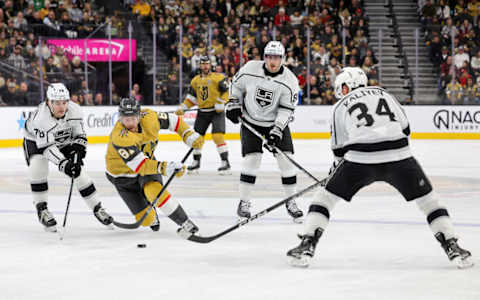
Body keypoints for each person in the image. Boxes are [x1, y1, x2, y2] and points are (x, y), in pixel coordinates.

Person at [287, 67, 473, 269]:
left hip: (360, 159)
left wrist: (335, 175)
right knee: (429, 201)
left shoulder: (340, 105)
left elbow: (339, 151)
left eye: (341, 87)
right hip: (400, 156)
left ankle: (307, 244)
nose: (339, 91)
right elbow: (406, 129)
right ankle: (452, 246)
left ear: (347, 85)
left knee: (324, 199)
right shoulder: (385, 93)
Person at [225, 41, 304, 222]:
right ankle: (244, 202)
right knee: (252, 159)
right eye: (269, 56)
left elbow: (286, 109)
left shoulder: (290, 80)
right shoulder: (250, 67)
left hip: (274, 123)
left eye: (276, 57)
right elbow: (235, 86)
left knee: (286, 161)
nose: (272, 61)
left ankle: (291, 201)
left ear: (283, 59)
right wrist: (234, 103)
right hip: (250, 121)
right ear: (264, 57)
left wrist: (276, 130)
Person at [22, 83, 113, 232]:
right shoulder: (41, 118)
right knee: (38, 168)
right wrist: (64, 163)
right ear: (48, 102)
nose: (62, 107)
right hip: (35, 141)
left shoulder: (75, 109)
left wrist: (78, 150)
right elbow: (47, 148)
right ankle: (42, 209)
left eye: (64, 102)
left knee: (79, 172)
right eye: (57, 103)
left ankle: (98, 208)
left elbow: (80, 134)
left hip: (62, 138)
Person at [105, 97, 204, 234]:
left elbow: (174, 121)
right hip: (122, 177)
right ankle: (151, 211)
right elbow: (140, 165)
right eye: (126, 119)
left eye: (133, 118)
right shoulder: (120, 137)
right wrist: (165, 168)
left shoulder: (150, 117)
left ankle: (185, 223)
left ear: (139, 115)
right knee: (146, 220)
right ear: (120, 118)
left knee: (154, 191)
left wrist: (187, 134)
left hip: (146, 163)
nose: (131, 123)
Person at [175, 56, 231, 175]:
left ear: (211, 65)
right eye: (203, 64)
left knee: (217, 136)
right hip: (202, 112)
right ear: (200, 65)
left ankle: (225, 162)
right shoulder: (195, 80)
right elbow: (192, 99)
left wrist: (222, 102)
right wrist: (183, 108)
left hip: (217, 112)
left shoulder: (219, 77)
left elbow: (226, 92)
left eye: (207, 63)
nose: (205, 66)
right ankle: (196, 162)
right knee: (196, 138)